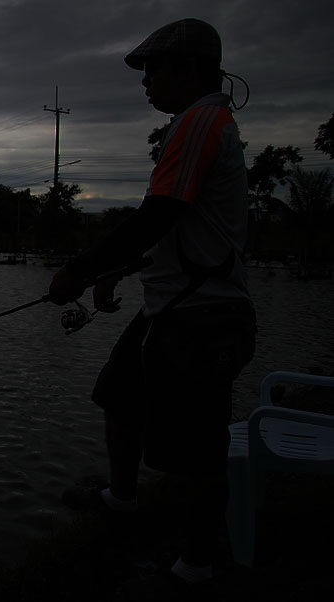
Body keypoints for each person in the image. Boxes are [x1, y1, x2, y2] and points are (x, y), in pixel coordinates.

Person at [49, 18, 257, 595]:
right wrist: (119, 269)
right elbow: (181, 228)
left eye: (153, 69)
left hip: (203, 316)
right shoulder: (194, 124)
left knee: (198, 452)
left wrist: (79, 268)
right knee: (118, 393)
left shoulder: (198, 123)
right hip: (173, 306)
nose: (145, 82)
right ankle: (122, 499)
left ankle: (198, 566)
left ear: (188, 70)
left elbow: (157, 216)